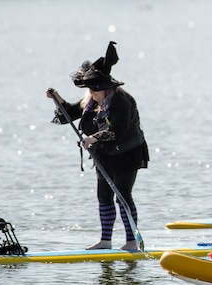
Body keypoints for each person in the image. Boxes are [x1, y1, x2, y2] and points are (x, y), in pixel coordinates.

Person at [46, 41, 149, 250]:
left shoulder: (122, 101)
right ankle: (105, 241)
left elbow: (118, 131)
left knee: (122, 194)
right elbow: (69, 114)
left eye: (94, 89)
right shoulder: (90, 101)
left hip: (128, 152)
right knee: (103, 196)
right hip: (106, 154)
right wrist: (55, 97)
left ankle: (131, 242)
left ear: (106, 87)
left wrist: (93, 138)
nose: (91, 92)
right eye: (89, 88)